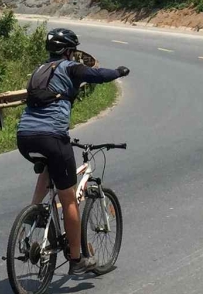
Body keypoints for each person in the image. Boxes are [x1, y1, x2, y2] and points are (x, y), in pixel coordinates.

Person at [16, 27, 130, 277]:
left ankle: (33, 215)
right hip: (52, 137)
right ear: (68, 51)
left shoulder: (38, 71)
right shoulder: (70, 68)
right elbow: (99, 74)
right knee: (68, 199)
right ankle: (77, 260)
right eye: (73, 50)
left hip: (24, 137)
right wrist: (120, 72)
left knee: (47, 170)